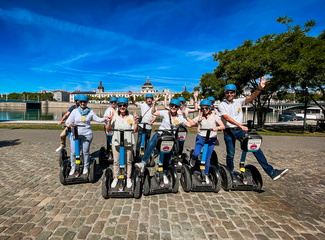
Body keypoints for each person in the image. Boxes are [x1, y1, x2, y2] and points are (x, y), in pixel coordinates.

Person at [217, 77, 289, 181]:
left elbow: (252, 97)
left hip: (240, 131)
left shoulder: (238, 101)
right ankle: (230, 173)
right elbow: (226, 117)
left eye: (231, 92)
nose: (229, 94)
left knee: (255, 147)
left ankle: (272, 172)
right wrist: (240, 125)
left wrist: (259, 88)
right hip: (229, 132)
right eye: (227, 92)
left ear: (234, 93)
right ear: (224, 93)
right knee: (231, 154)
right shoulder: (221, 105)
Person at [135, 98, 193, 183]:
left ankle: (164, 172)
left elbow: (190, 125)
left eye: (175, 106)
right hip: (161, 134)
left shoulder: (180, 118)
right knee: (151, 144)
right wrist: (154, 104)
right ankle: (143, 163)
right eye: (172, 106)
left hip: (170, 137)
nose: (173, 107)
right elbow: (154, 112)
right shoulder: (165, 113)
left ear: (178, 108)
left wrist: (186, 117)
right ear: (169, 106)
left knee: (167, 155)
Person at [66, 95, 107, 175]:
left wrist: (106, 119)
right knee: (73, 152)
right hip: (75, 134)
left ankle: (85, 166)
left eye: (84, 102)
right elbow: (68, 121)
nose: (82, 103)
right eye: (81, 102)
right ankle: (73, 167)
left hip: (86, 134)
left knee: (85, 152)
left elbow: (98, 119)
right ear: (78, 102)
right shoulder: (75, 111)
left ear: (87, 102)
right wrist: (68, 124)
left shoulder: (90, 112)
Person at [105, 97, 139, 188]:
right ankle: (116, 177)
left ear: (127, 106)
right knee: (116, 161)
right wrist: (108, 121)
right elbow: (108, 129)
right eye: (120, 105)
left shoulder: (131, 117)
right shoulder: (114, 116)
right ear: (118, 106)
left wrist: (136, 122)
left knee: (129, 161)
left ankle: (128, 177)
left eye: (124, 105)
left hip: (128, 142)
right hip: (116, 141)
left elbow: (135, 130)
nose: (122, 107)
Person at [189, 100, 225, 183]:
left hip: (211, 139)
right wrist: (197, 121)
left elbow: (222, 126)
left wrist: (217, 128)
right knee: (196, 153)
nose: (204, 110)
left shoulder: (215, 117)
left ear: (209, 108)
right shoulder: (200, 117)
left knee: (207, 158)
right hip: (201, 137)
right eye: (202, 108)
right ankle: (193, 159)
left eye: (206, 108)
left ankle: (205, 174)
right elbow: (190, 124)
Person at [128, 92, 157, 159]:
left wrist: (151, 121)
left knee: (147, 141)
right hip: (141, 125)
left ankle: (147, 154)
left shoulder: (154, 107)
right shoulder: (142, 105)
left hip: (148, 126)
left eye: (150, 99)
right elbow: (134, 103)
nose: (149, 100)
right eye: (148, 99)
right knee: (139, 140)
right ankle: (137, 154)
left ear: (152, 100)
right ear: (146, 99)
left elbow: (155, 116)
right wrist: (131, 96)